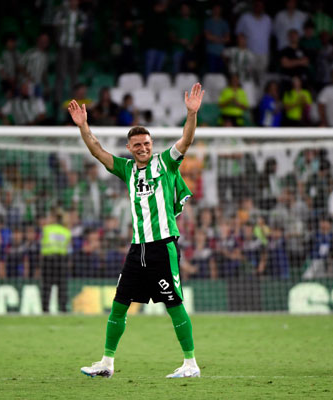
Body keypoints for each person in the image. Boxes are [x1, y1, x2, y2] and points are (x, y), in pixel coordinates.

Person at [68, 82, 204, 378]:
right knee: (119, 305)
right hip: (137, 249)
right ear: (129, 149)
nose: (143, 148)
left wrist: (191, 114)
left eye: (147, 143)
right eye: (137, 145)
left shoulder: (165, 163)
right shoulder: (126, 169)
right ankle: (107, 363)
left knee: (173, 303)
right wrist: (83, 126)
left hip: (162, 246)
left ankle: (190, 363)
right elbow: (97, 151)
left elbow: (186, 140)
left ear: (152, 145)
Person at [53, 0, 87, 104]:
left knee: (74, 74)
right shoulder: (61, 13)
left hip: (76, 47)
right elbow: (55, 26)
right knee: (61, 74)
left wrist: (79, 30)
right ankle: (57, 100)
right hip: (63, 46)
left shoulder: (81, 15)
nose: (73, 2)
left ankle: (73, 100)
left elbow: (82, 30)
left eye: (75, 1)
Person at [234, 0, 272, 85]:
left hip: (264, 53)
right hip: (249, 52)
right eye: (257, 5)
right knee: (249, 77)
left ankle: (261, 93)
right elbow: (239, 33)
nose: (259, 7)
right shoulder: (245, 18)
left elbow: (269, 35)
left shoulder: (267, 19)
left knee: (262, 78)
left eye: (261, 6)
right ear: (254, 6)